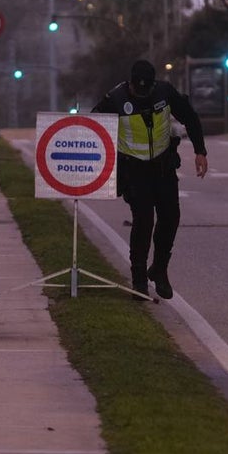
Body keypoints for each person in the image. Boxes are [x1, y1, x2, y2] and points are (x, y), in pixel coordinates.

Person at [92, 59, 208, 299]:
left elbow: (190, 116)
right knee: (143, 222)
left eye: (146, 90)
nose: (142, 93)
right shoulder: (115, 99)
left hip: (163, 167)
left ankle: (159, 269)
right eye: (138, 90)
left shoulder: (164, 93)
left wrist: (200, 151)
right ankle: (139, 281)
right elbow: (94, 127)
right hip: (134, 171)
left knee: (171, 217)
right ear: (130, 84)